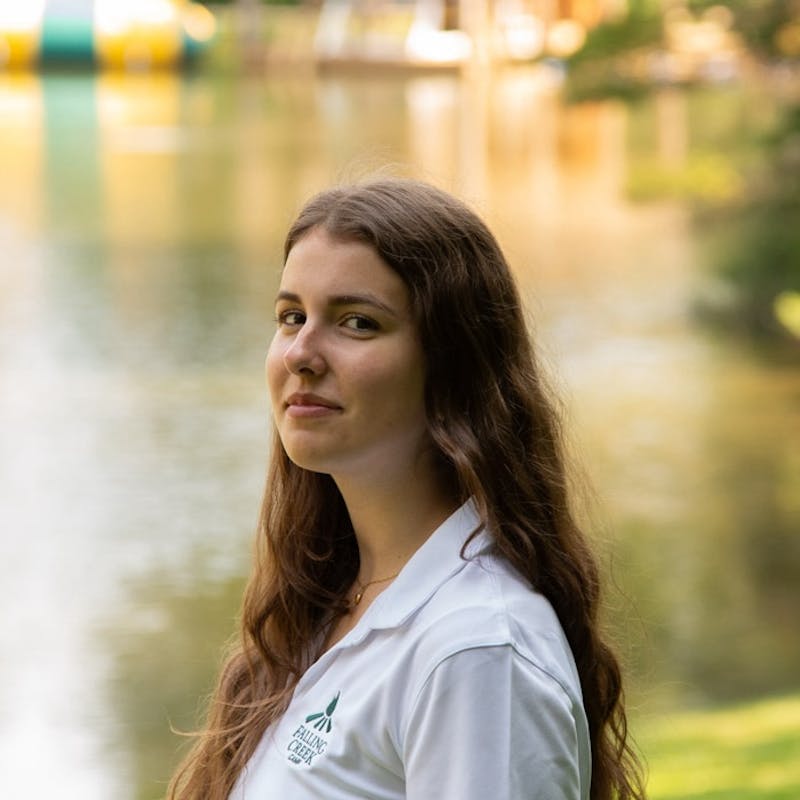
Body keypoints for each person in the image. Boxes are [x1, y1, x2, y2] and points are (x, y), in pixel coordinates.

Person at [168, 178, 645, 800]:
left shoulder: (477, 648)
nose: (301, 354)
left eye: (357, 322)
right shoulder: (328, 601)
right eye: (292, 317)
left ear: (454, 366)